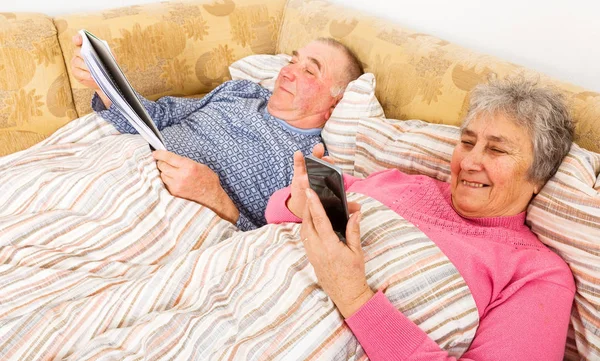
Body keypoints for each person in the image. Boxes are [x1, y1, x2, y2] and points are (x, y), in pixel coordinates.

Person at [265, 78, 576, 360]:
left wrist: (353, 296)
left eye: (496, 150)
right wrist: (298, 201)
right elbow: (275, 214)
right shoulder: (400, 182)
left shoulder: (536, 273)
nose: (468, 161)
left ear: (539, 175)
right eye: (467, 142)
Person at [70, 35, 363, 231]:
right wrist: (105, 85)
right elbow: (158, 117)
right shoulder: (241, 90)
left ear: (336, 101)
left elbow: (269, 245)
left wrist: (214, 197)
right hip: (113, 165)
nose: (287, 72)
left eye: (310, 72)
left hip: (159, 216)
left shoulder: (306, 164)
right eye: (291, 61)